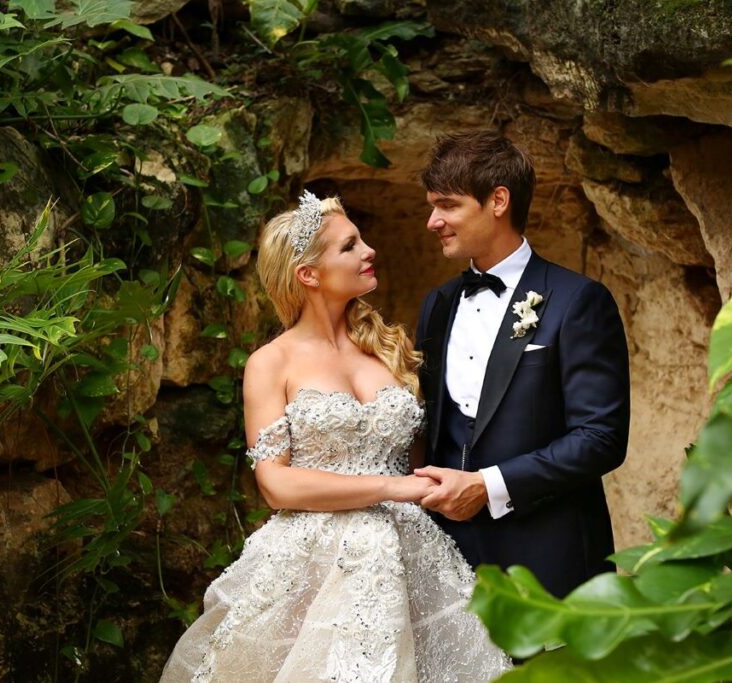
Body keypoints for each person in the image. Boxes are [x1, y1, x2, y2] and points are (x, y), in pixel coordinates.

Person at [161, 192, 509, 682]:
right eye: (350, 246)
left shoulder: (389, 349)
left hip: (411, 554)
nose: (369, 251)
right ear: (308, 274)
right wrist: (394, 488)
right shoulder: (271, 363)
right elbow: (275, 485)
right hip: (316, 565)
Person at [414, 130, 631, 599]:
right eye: (432, 206)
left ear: (498, 200)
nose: (433, 221)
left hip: (551, 559)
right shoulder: (438, 305)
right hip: (448, 560)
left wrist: (488, 486)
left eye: (448, 205)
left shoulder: (578, 301)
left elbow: (601, 439)